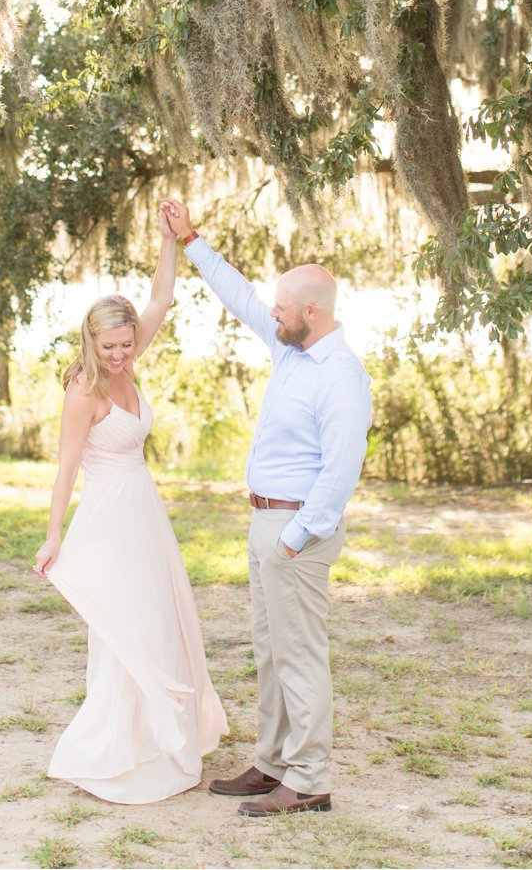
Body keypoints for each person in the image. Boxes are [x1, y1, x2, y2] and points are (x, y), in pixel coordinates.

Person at [159, 197, 372, 818]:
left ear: (312, 311)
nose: (271, 313)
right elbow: (242, 297)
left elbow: (341, 468)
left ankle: (308, 779)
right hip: (266, 521)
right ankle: (273, 762)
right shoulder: (290, 348)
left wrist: (296, 535)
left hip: (296, 531)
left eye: (283, 307)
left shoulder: (341, 373)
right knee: (270, 650)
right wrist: (192, 239)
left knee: (299, 654)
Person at [34, 214, 227, 803]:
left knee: (161, 619)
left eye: (126, 345)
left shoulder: (130, 356)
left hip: (145, 511)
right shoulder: (83, 391)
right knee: (130, 628)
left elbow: (162, 297)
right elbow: (66, 468)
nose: (120, 356)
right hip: (109, 518)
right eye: (110, 347)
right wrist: (52, 538)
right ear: (90, 341)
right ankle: (118, 745)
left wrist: (170, 239)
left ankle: (163, 736)